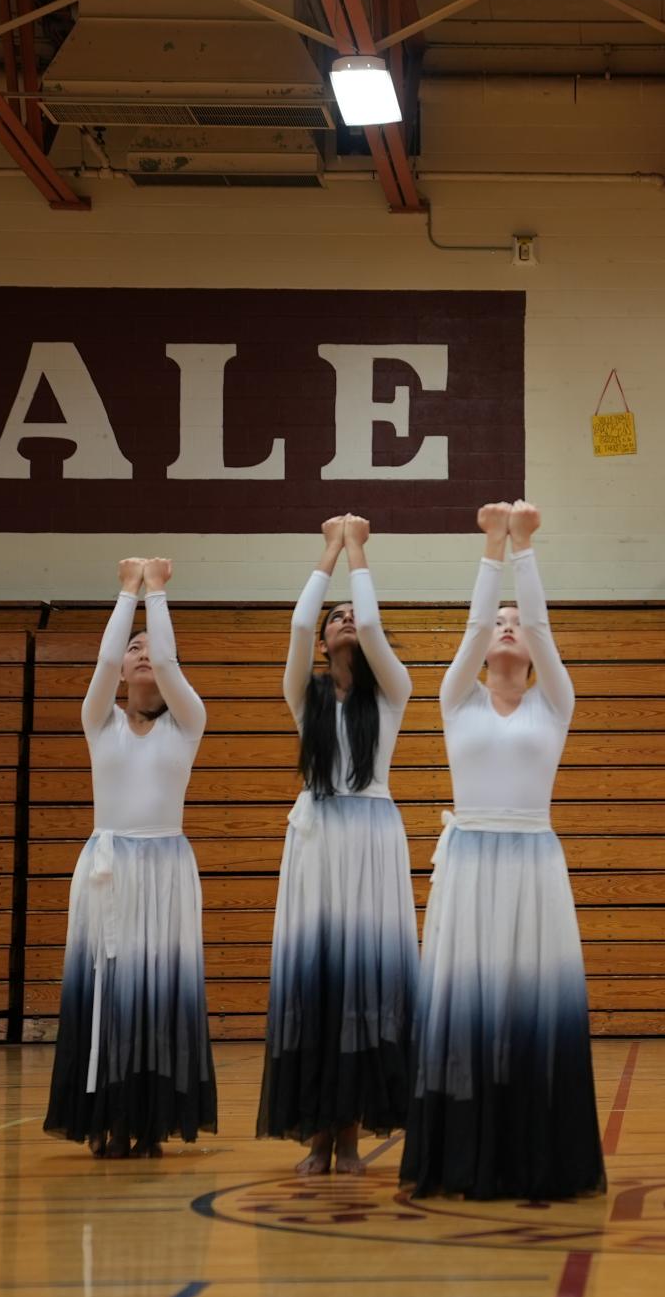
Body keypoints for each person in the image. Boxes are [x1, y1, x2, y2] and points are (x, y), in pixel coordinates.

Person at [400, 501, 605, 1200]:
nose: (510, 628)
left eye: (517, 622)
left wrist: (524, 550)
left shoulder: (556, 703)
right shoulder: (456, 699)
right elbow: (475, 622)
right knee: (465, 1005)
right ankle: (460, 1156)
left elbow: (541, 626)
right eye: (501, 624)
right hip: (468, 865)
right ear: (486, 646)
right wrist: (491, 548)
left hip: (533, 863)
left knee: (531, 1006)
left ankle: (534, 1156)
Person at [257, 515, 418, 1174]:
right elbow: (297, 626)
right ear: (323, 642)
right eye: (336, 617)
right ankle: (318, 1131)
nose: (346, 619)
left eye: (352, 613)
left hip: (372, 838)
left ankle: (351, 1132)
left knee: (364, 981)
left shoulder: (392, 697)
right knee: (318, 980)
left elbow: (375, 627)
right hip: (318, 842)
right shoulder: (306, 699)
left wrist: (359, 553)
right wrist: (328, 551)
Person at [44, 557, 217, 1157]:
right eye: (133, 648)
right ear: (121, 666)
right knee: (106, 990)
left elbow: (168, 662)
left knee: (158, 993)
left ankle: (151, 1121)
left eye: (151, 647)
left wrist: (157, 593)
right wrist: (125, 595)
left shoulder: (188, 723)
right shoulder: (99, 721)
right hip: (108, 866)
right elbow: (101, 662)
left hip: (167, 868)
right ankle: (104, 1118)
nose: (143, 654)